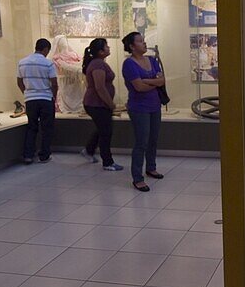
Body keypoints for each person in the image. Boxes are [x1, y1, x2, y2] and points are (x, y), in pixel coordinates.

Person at [121, 31, 166, 191]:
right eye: (140, 41)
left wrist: (147, 81)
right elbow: (138, 87)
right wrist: (154, 82)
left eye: (144, 40)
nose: (144, 43)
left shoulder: (152, 60)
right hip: (139, 108)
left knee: (153, 139)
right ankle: (137, 177)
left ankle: (151, 167)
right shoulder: (129, 64)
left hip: (155, 105)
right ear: (132, 46)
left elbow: (162, 80)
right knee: (141, 142)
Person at [81, 38, 124, 171]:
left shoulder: (98, 63)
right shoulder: (98, 64)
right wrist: (111, 104)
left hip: (99, 104)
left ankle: (89, 150)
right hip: (96, 104)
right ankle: (108, 162)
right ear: (100, 51)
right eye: (106, 46)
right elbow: (99, 87)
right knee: (106, 131)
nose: (109, 48)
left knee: (103, 129)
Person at [16, 38, 58, 164]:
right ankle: (44, 155)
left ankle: (28, 155)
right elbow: (54, 83)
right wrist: (53, 96)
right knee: (47, 128)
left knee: (31, 127)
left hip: (30, 100)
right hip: (45, 98)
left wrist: (27, 93)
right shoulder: (48, 63)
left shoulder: (22, 62)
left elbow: (19, 82)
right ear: (46, 49)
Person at [49, 34, 85, 113]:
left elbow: (79, 63)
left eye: (65, 41)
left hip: (74, 80)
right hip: (64, 80)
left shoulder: (73, 55)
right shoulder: (57, 58)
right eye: (62, 42)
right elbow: (65, 66)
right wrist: (79, 69)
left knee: (77, 95)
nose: (64, 44)